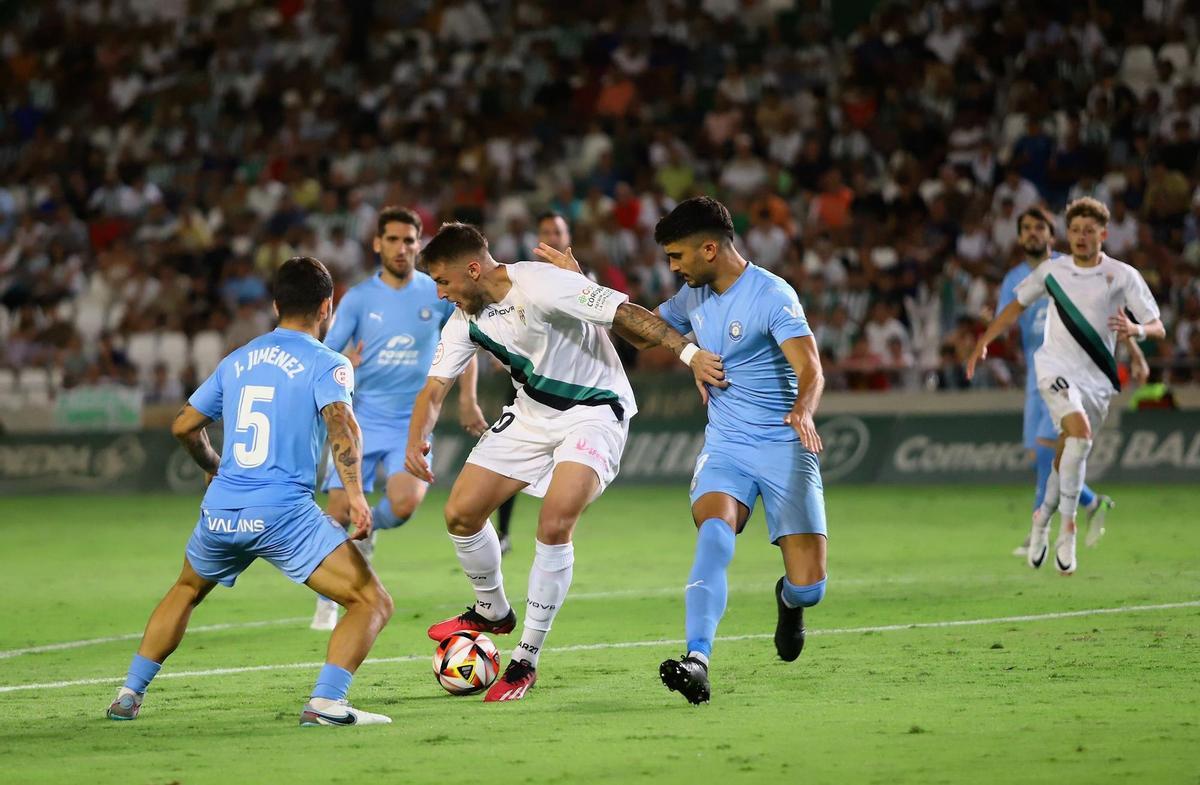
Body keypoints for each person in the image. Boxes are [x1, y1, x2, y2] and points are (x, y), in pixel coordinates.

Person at [404, 222, 725, 702]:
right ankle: (492, 610)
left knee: (554, 524)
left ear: (472, 269)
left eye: (443, 282)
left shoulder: (543, 284)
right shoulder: (464, 320)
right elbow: (434, 390)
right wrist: (417, 438)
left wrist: (690, 353)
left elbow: (626, 313)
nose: (441, 293)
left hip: (593, 411)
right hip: (531, 415)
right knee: (461, 513)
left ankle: (525, 659)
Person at [106, 257, 394, 726]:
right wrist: (356, 496)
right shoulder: (328, 362)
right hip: (283, 512)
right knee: (372, 601)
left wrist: (214, 467)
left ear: (277, 305)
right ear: (328, 307)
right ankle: (325, 703)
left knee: (186, 589)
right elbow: (342, 426)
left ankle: (128, 694)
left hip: (221, 511)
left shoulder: (237, 359)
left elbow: (183, 426)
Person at [618, 196, 828, 705]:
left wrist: (802, 409)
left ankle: (789, 601)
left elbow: (811, 369)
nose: (672, 267)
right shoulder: (694, 297)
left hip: (783, 444)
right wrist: (586, 294)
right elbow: (642, 332)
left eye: (677, 257)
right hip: (726, 445)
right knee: (714, 533)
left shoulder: (771, 295)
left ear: (709, 249)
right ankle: (697, 659)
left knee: (810, 586)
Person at [310, 206, 487, 631]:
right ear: (377, 244)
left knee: (405, 504)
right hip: (361, 418)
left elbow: (468, 337)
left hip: (412, 421)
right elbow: (326, 352)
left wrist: (468, 398)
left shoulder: (435, 292)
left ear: (418, 244)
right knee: (335, 513)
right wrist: (344, 361)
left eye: (409, 240)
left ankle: (369, 531)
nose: (402, 248)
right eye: (392, 239)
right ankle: (328, 599)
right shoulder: (358, 298)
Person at [968, 197, 1162, 575]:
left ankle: (1043, 518)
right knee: (1073, 437)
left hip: (1097, 380)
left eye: (1089, 230)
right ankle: (1067, 530)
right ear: (1067, 235)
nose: (1081, 236)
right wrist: (983, 340)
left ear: (1103, 234)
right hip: (1051, 367)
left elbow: (1149, 323)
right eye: (1076, 230)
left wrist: (1136, 339)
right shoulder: (1049, 272)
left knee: (1067, 449)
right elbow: (1014, 307)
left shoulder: (1121, 275)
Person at [997, 207, 1131, 556]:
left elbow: (1109, 313)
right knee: (1038, 454)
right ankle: (1091, 502)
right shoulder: (1013, 278)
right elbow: (1008, 321)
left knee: (1046, 449)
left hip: (1069, 372)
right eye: (1026, 228)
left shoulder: (1070, 268)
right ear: (1019, 236)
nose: (1032, 234)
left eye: (1039, 227)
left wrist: (1135, 349)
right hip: (1035, 374)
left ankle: (1039, 529)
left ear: (1052, 234)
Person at [492, 210, 577, 557]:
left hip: (573, 387)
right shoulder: (524, 280)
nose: (552, 237)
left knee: (571, 463)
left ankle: (560, 531)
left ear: (567, 236)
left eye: (557, 231)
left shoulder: (583, 279)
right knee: (509, 455)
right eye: (545, 232)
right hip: (526, 383)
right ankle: (503, 532)